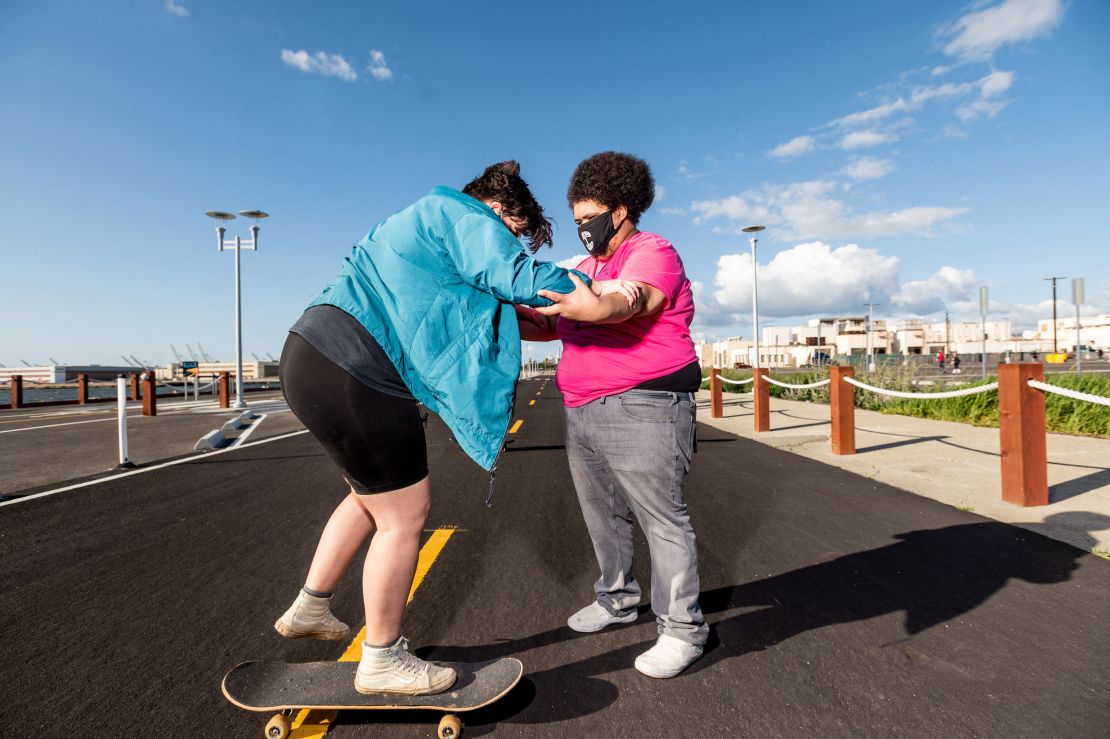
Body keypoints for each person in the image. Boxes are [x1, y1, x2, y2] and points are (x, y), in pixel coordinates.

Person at [274, 161, 637, 696]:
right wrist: (601, 292)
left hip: (310, 355)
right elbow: (515, 277)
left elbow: (467, 307)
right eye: (514, 234)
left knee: (367, 496)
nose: (512, 245)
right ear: (497, 209)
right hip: (357, 368)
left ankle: (311, 604)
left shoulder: (418, 222)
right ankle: (382, 660)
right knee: (405, 514)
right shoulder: (460, 214)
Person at [521, 151, 707, 678]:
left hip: (645, 403)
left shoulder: (654, 252)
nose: (582, 229)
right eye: (576, 220)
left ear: (620, 210)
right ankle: (617, 599)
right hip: (581, 407)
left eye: (589, 218)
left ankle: (683, 630)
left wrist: (585, 299)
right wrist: (502, 309)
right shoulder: (584, 268)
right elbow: (545, 324)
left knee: (662, 520)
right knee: (602, 515)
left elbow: (629, 304)